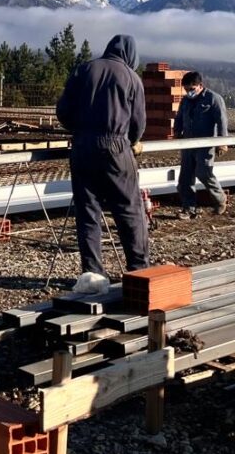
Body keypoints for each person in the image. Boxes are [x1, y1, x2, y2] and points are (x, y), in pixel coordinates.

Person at [55, 34, 150, 293]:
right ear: (131, 55)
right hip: (117, 147)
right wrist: (133, 140)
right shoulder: (131, 78)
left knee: (88, 211)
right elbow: (139, 121)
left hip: (82, 146)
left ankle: (93, 275)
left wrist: (82, 130)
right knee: (129, 209)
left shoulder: (83, 69)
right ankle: (138, 269)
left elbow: (63, 110)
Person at [174, 71, 229, 219]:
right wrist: (177, 132)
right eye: (186, 90)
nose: (189, 92)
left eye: (192, 89)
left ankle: (220, 200)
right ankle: (189, 208)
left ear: (200, 86)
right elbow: (179, 118)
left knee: (203, 173)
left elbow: (222, 121)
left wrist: (222, 142)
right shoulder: (185, 101)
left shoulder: (213, 99)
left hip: (206, 144)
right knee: (185, 178)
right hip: (188, 143)